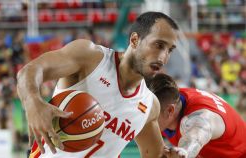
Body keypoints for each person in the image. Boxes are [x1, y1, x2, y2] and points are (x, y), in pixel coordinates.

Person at [17, 12, 179, 158]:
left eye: (169, 50)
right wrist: (32, 101)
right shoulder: (90, 58)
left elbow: (155, 154)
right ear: (135, 40)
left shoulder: (150, 106)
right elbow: (30, 71)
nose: (163, 57)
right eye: (158, 45)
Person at [146, 73, 246, 158]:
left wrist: (183, 152)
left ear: (170, 111)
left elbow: (194, 139)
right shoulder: (167, 96)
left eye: (149, 114)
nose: (144, 119)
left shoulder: (200, 119)